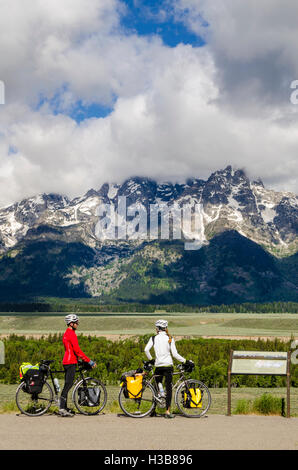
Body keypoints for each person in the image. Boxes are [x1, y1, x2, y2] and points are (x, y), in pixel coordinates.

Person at [144, 319, 191, 419]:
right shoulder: (170, 338)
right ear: (165, 328)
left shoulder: (153, 338)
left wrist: (152, 360)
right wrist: (185, 361)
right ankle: (167, 411)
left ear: (157, 329)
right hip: (168, 366)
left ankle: (153, 410)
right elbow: (175, 354)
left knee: (156, 388)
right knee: (168, 388)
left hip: (158, 366)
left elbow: (146, 350)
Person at [59, 314, 96, 417]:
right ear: (71, 324)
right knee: (68, 385)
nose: (77, 324)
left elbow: (71, 350)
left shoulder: (67, 333)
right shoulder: (71, 334)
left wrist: (78, 359)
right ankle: (62, 408)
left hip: (67, 361)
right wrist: (89, 361)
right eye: (76, 323)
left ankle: (64, 407)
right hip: (70, 362)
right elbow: (77, 350)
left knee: (68, 384)